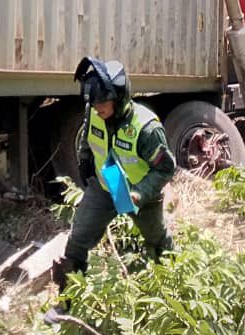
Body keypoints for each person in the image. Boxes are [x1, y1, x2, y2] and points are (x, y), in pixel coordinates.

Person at [52, 57, 179, 290]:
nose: (98, 109)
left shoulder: (147, 128)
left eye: (103, 103)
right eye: (94, 103)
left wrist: (140, 193)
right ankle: (67, 298)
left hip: (139, 192)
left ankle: (173, 288)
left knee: (158, 240)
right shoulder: (94, 113)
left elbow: (165, 168)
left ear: (118, 98)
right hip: (106, 184)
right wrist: (85, 163)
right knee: (79, 237)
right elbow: (88, 141)